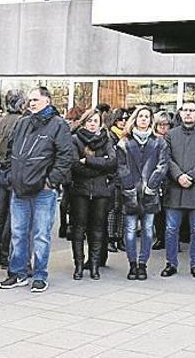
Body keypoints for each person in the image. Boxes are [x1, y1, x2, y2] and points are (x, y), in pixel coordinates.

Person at [0, 87, 75, 293]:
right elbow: (9, 152)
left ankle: (40, 274)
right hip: (19, 188)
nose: (31, 103)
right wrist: (9, 176)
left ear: (47, 101)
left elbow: (65, 156)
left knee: (41, 235)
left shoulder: (58, 125)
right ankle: (17, 273)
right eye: (29, 100)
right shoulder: (22, 123)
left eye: (36, 100)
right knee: (18, 233)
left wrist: (51, 181)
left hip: (43, 190)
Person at [162, 101, 195, 279]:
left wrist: (191, 177)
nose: (188, 114)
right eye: (185, 110)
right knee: (171, 229)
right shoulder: (170, 134)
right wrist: (179, 176)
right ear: (180, 113)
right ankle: (171, 263)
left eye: (192, 111)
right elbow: (166, 158)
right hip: (175, 189)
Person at [118, 106, 169, 281]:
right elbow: (121, 167)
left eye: (147, 116)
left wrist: (151, 186)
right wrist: (129, 187)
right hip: (130, 192)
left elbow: (162, 166)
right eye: (141, 116)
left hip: (150, 193)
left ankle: (142, 265)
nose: (144, 119)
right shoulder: (124, 142)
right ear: (135, 119)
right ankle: (132, 264)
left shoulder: (159, 142)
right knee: (130, 230)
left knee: (148, 231)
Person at [69, 110, 117, 280]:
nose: (92, 123)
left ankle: (95, 266)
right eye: (89, 120)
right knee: (78, 229)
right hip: (80, 190)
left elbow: (112, 162)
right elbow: (75, 165)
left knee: (98, 229)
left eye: (95, 121)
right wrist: (100, 168)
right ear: (83, 122)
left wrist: (88, 161)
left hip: (101, 192)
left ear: (100, 123)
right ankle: (79, 265)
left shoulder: (107, 140)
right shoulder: (75, 140)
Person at [0, 89, 25, 269]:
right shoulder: (20, 122)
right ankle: (4, 255)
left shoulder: (1, 121)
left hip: (2, 168)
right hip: (12, 168)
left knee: (0, 212)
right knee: (11, 213)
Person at [106, 108, 131, 253]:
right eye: (121, 119)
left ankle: (120, 238)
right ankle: (110, 238)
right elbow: (112, 157)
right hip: (114, 177)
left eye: (126, 119)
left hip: (126, 177)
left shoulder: (128, 137)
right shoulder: (111, 136)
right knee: (113, 209)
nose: (123, 122)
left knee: (123, 209)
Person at [151, 110, 172, 250]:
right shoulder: (153, 140)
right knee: (157, 210)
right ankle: (160, 237)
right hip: (157, 176)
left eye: (166, 125)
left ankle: (170, 238)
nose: (164, 128)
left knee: (170, 210)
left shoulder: (172, 138)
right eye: (160, 125)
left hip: (171, 177)